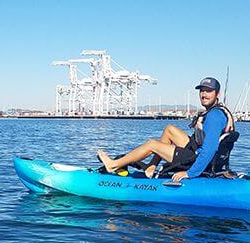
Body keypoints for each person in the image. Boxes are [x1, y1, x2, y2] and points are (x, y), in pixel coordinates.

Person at [97, 77, 234, 184]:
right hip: (198, 150)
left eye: (208, 91)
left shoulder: (214, 116)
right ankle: (152, 166)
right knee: (170, 129)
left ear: (217, 94)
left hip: (199, 159)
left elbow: (209, 149)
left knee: (152, 144)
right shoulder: (216, 112)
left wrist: (190, 173)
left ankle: (113, 165)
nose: (204, 94)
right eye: (202, 91)